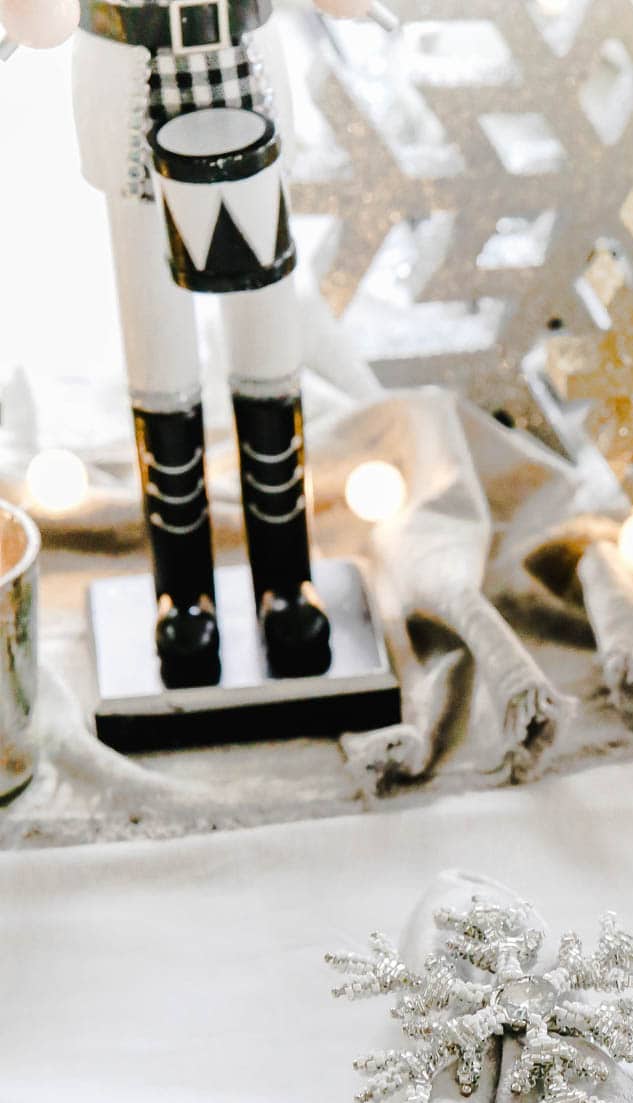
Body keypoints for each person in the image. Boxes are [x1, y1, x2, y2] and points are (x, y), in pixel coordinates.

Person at [0, 0, 378, 684]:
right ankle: (182, 593)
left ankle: (287, 581)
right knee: (157, 348)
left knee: (268, 341)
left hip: (242, 69)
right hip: (126, 91)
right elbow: (43, 21)